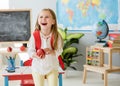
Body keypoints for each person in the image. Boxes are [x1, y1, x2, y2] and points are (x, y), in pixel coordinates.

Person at [28, 8, 63, 86]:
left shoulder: (57, 36)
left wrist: (52, 51)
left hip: (52, 67)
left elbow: (59, 50)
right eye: (41, 17)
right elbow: (30, 51)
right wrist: (35, 55)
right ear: (38, 20)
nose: (43, 19)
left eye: (47, 17)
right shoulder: (35, 35)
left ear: (53, 21)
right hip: (37, 68)